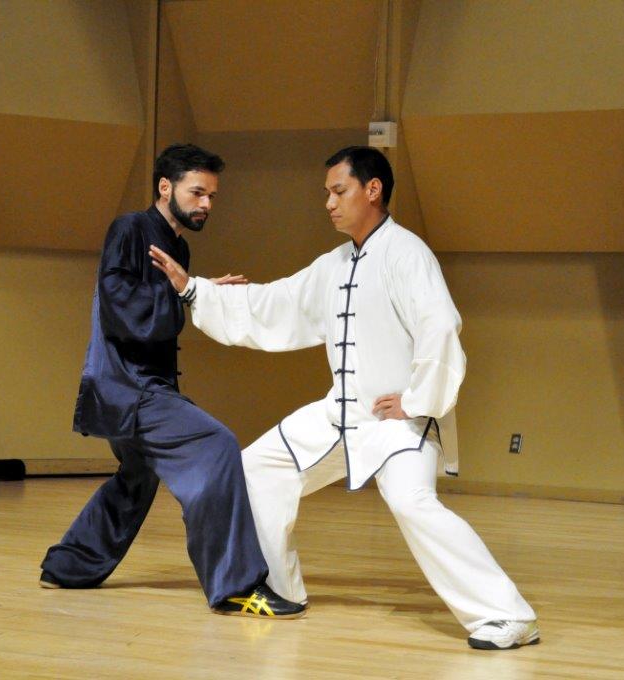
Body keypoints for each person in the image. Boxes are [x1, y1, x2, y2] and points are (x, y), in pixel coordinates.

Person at [149, 146, 538, 648]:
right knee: (257, 469)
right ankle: (279, 589)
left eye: (338, 191)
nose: (329, 203)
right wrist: (195, 291)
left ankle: (508, 616)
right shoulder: (335, 263)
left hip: (400, 422)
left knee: (412, 502)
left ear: (372, 190)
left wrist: (418, 401)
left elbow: (441, 328)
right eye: (327, 194)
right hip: (341, 414)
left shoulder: (408, 254)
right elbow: (277, 303)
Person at [39, 143, 305, 619]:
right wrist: (183, 293)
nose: (206, 204)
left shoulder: (176, 244)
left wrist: (197, 289)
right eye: (198, 192)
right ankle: (236, 586)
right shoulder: (130, 229)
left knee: (136, 477)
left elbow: (163, 298)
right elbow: (122, 309)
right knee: (217, 447)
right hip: (129, 388)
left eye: (212, 196)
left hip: (142, 387)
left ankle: (68, 564)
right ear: (165, 187)